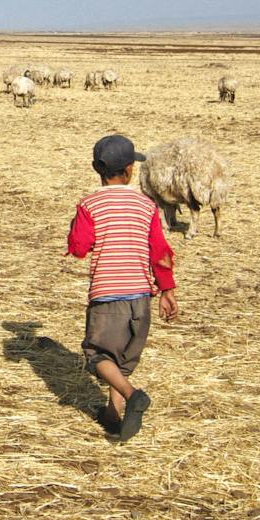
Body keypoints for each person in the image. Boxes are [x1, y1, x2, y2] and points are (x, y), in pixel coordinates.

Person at [64, 134, 178, 440]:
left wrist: (74, 237)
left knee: (97, 355)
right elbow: (161, 252)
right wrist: (167, 290)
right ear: (130, 170)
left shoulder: (90, 204)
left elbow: (79, 246)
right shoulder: (146, 205)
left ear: (96, 169)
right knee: (123, 360)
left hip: (108, 296)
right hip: (141, 297)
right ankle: (113, 416)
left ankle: (132, 396)